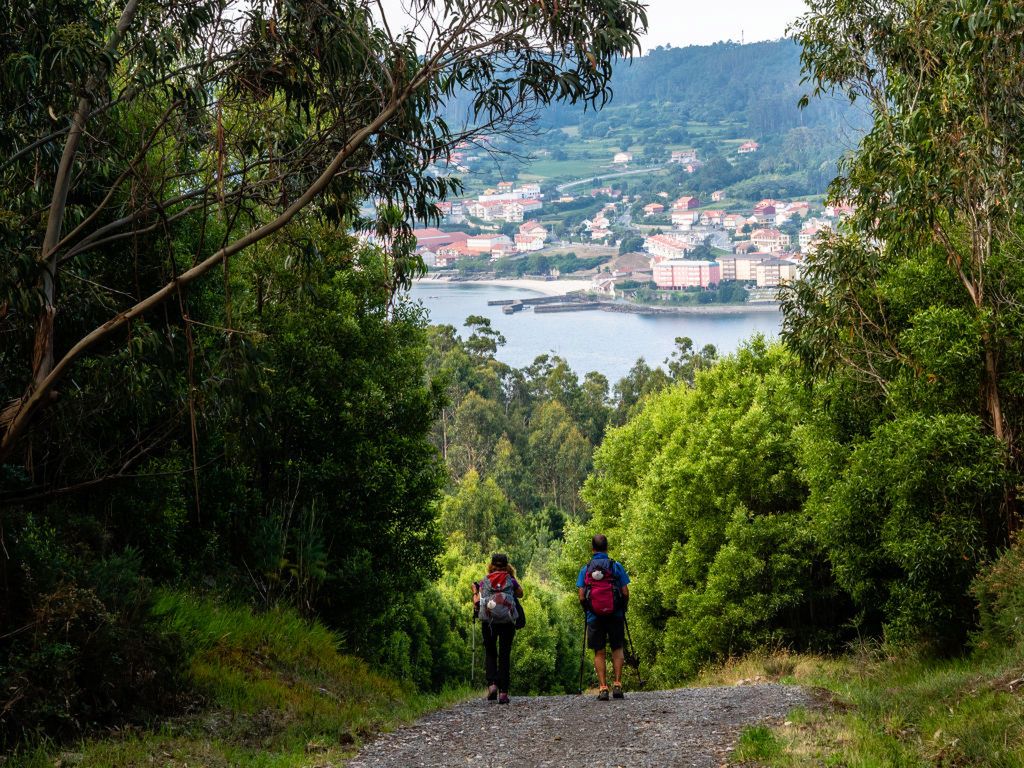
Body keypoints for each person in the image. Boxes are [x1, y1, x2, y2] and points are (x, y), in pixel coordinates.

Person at [577, 533, 630, 701]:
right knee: (617, 648)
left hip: (594, 616)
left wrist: (588, 610)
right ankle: (617, 685)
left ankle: (603, 688)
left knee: (599, 652)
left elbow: (581, 596)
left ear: (592, 549)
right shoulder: (616, 566)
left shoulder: (586, 569)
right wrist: (622, 606)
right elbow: (625, 592)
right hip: (615, 614)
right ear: (607, 548)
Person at [473, 552, 524, 704]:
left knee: (490, 652)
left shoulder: (485, 581)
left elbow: (477, 601)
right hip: (507, 621)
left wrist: (475, 591)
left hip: (489, 621)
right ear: (507, 565)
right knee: (504, 654)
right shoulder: (510, 579)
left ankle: (492, 685)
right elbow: (520, 594)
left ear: (492, 565)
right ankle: (503, 692)